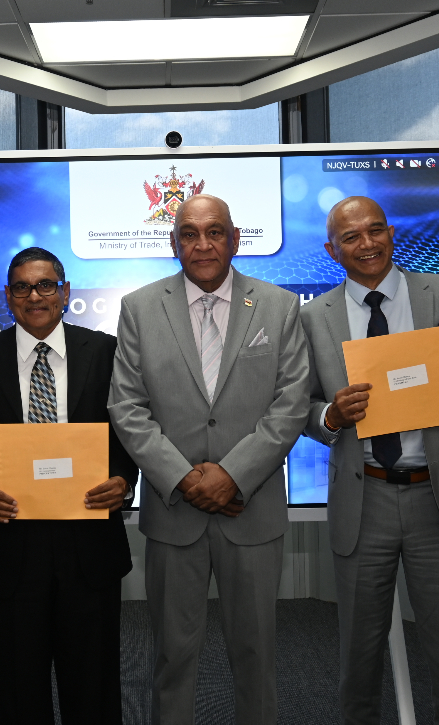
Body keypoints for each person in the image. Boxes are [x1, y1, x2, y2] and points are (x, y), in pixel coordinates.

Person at [108, 195, 309, 725]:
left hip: (253, 511)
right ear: (173, 243)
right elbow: (126, 407)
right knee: (172, 657)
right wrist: (184, 478)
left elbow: (291, 403)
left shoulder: (279, 306)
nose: (202, 245)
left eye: (215, 232)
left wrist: (233, 476)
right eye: (189, 234)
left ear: (235, 239)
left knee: (256, 657)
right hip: (175, 513)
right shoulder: (139, 307)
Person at [300, 196, 439, 725]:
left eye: (375, 230)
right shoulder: (312, 317)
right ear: (332, 250)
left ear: (391, 233)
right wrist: (331, 417)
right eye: (351, 236)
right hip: (362, 498)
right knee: (358, 656)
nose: (366, 243)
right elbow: (301, 408)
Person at [0, 247, 137, 725]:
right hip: (14, 546)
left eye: (45, 285)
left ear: (65, 292)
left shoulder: (106, 351)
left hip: (89, 545)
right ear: (8, 296)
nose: (34, 296)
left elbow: (129, 433)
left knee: (93, 690)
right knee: (19, 692)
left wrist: (123, 480)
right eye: (22, 287)